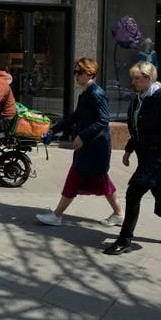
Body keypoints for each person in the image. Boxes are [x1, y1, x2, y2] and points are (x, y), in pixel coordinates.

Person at [104, 61, 161, 255]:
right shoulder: (140, 98)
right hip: (145, 155)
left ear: (149, 78)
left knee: (133, 194)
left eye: (137, 78)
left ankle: (124, 240)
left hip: (158, 157)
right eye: (133, 78)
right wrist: (129, 149)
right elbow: (137, 128)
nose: (133, 82)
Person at [35, 57, 124, 227]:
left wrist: (83, 136)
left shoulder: (96, 94)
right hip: (90, 145)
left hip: (95, 146)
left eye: (78, 72)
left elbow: (104, 119)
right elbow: (75, 117)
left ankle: (57, 215)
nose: (75, 75)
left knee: (76, 176)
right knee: (100, 180)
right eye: (75, 72)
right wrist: (53, 131)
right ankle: (119, 214)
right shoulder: (85, 93)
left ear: (89, 73)